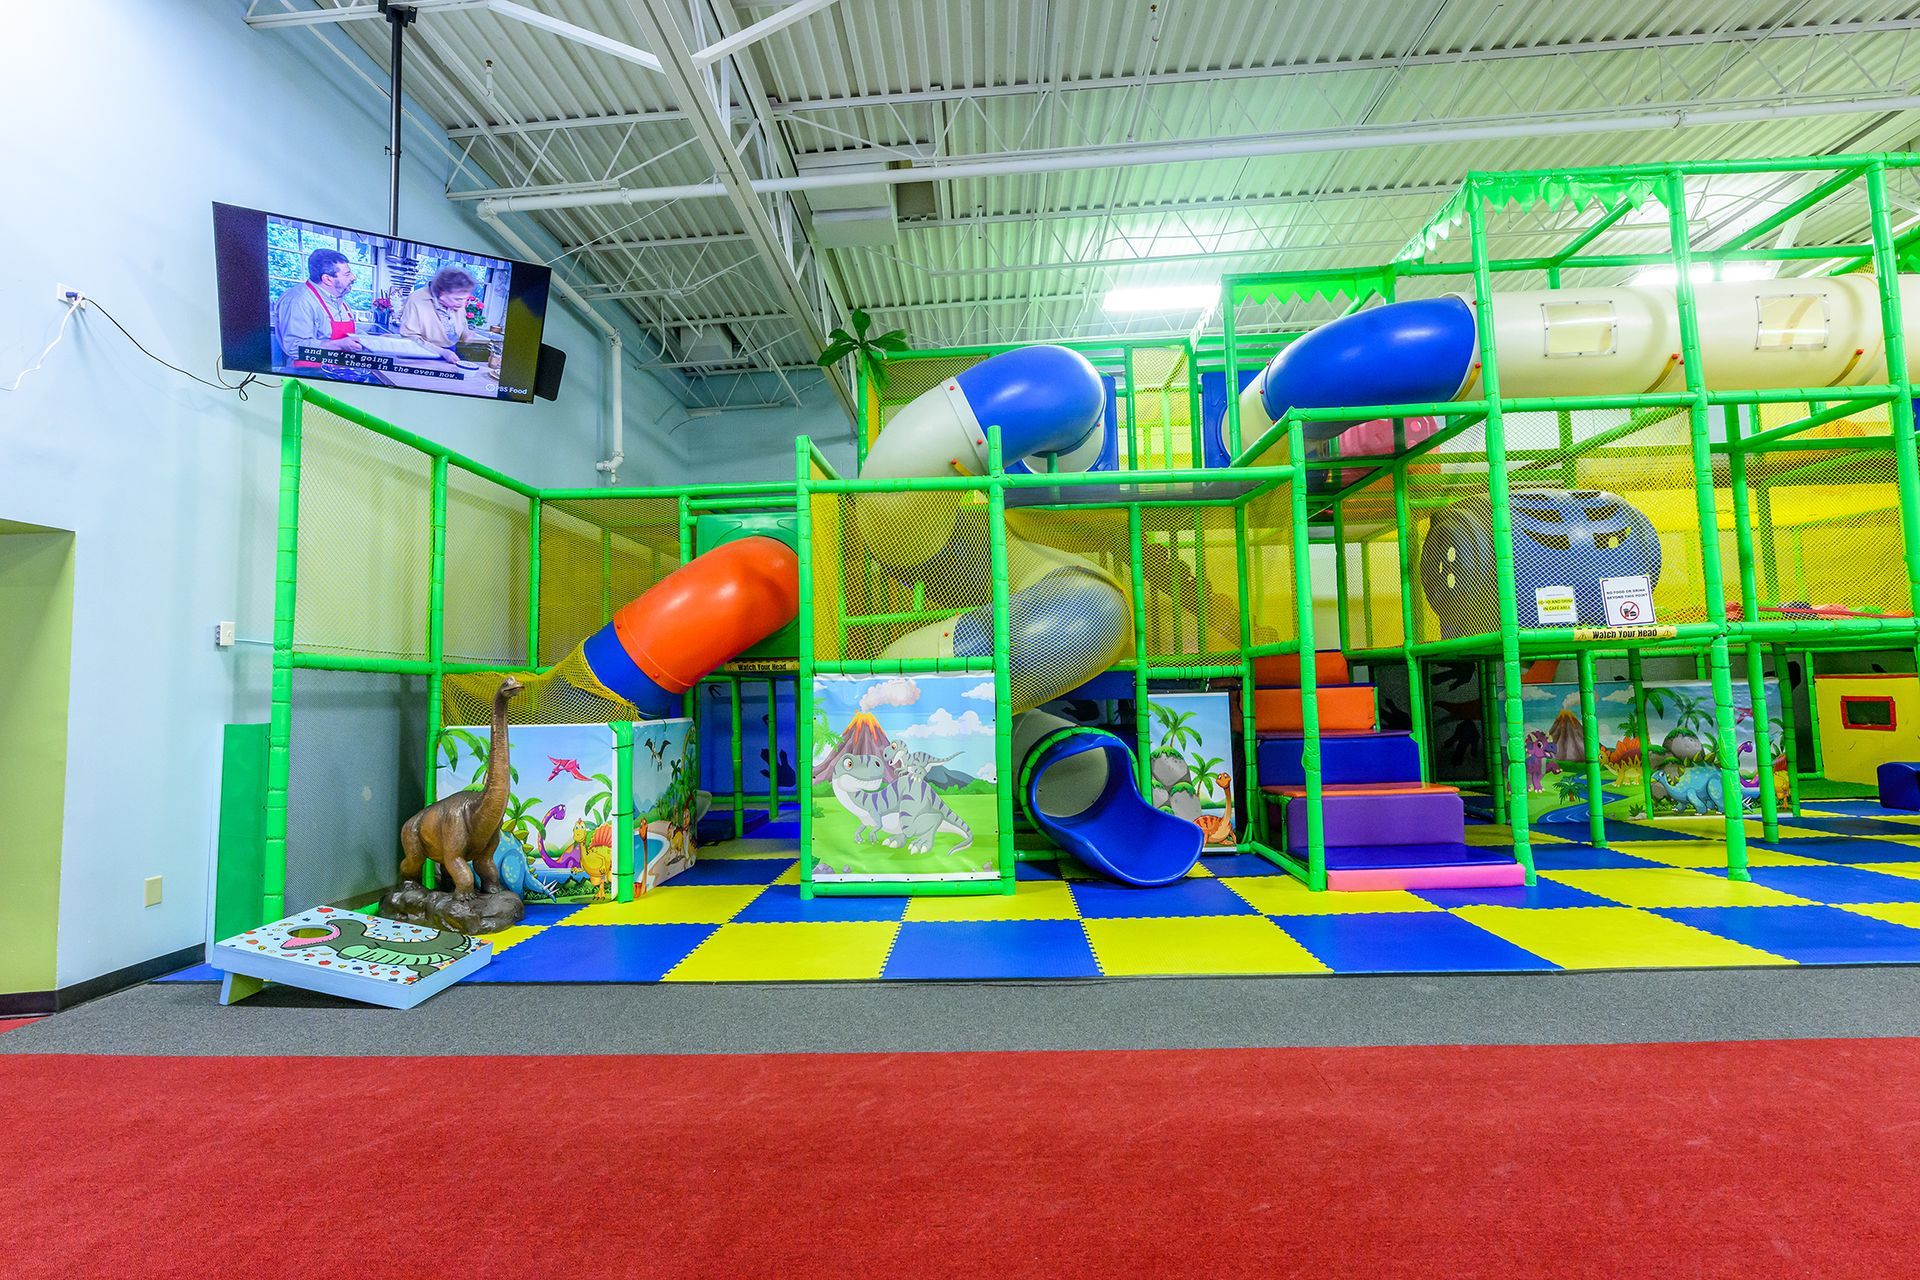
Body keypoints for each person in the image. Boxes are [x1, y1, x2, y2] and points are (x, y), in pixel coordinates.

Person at [272, 248, 365, 367]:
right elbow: (295, 347)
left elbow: (350, 333)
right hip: (308, 375)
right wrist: (339, 344)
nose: (353, 277)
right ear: (327, 279)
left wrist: (373, 341)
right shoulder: (298, 300)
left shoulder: (339, 299)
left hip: (337, 372)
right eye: (347, 274)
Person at [394, 266, 497, 366]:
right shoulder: (416, 299)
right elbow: (410, 337)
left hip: (449, 352)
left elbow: (461, 324)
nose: (462, 303)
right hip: (421, 353)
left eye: (465, 299)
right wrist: (443, 352)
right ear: (442, 293)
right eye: (458, 299)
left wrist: (466, 333)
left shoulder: (457, 300)